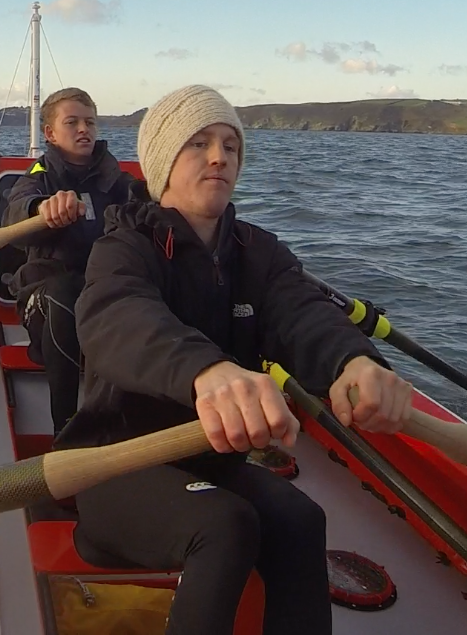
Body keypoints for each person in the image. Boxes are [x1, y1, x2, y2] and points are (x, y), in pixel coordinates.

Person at [62, 84, 414, 634]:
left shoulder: (258, 252)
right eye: (198, 143)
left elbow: (303, 313)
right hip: (116, 464)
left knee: (301, 519)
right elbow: (117, 316)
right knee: (225, 525)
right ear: (163, 160)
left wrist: (355, 361)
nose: (219, 157)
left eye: (230, 145)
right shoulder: (123, 248)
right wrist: (207, 371)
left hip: (210, 462)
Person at [2, 87, 134, 436]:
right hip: (45, 301)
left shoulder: (119, 182)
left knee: (129, 297)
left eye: (90, 122)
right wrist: (40, 208)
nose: (84, 129)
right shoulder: (37, 176)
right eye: (72, 122)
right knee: (64, 294)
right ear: (50, 133)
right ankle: (65, 433)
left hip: (100, 295)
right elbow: (15, 214)